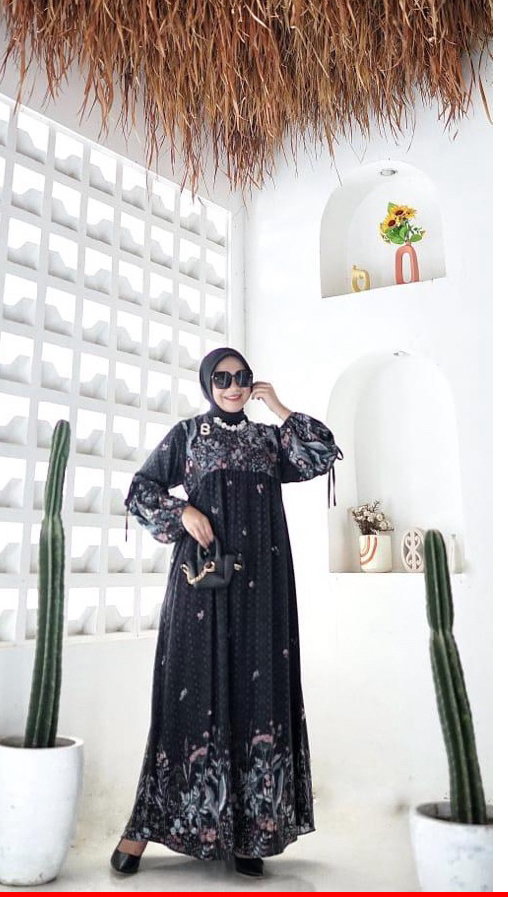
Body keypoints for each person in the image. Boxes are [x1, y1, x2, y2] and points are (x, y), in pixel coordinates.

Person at [110, 346, 344, 879]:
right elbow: (140, 490)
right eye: (222, 378)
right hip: (202, 587)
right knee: (186, 700)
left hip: (263, 591)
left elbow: (321, 452)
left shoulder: (268, 440)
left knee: (257, 700)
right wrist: (182, 511)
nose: (234, 386)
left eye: (242, 377)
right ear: (206, 383)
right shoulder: (189, 435)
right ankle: (141, 831)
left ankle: (250, 835)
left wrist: (279, 408)